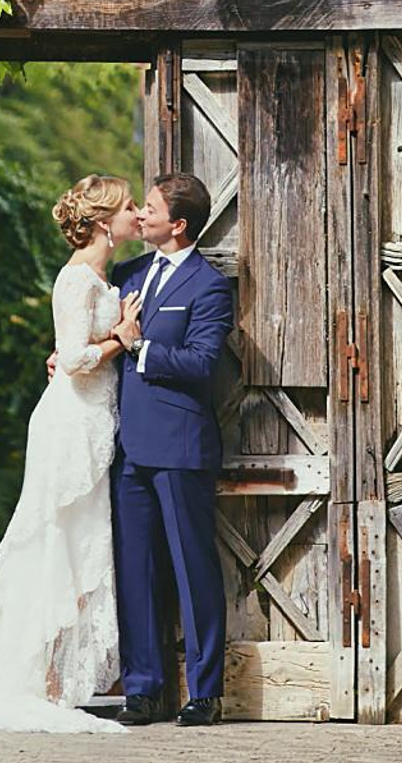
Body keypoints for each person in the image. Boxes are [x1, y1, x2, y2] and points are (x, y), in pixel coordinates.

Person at [0, 174, 142, 734]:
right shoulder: (78, 279)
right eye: (129, 206)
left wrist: (98, 341)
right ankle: (36, 681)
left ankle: (57, 680)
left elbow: (68, 352)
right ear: (106, 223)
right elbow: (75, 356)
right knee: (56, 537)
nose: (137, 213)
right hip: (70, 424)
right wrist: (122, 339)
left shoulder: (100, 278)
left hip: (91, 419)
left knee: (79, 539)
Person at [108, 173, 232, 728]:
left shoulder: (209, 286)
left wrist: (143, 347)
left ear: (177, 225)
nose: (141, 214)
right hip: (127, 446)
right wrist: (69, 360)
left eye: (151, 207)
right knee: (134, 570)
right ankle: (142, 689)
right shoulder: (126, 275)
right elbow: (102, 345)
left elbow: (205, 366)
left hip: (181, 448)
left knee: (192, 570)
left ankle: (204, 693)